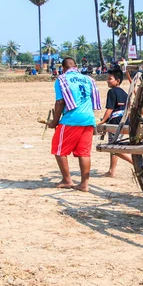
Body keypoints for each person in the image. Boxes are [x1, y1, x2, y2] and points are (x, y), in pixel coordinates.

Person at [48, 57, 101, 192]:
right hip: (89, 119)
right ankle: (84, 184)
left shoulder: (62, 79)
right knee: (84, 153)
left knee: (59, 150)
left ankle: (67, 179)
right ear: (76, 67)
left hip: (71, 119)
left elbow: (60, 102)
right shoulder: (88, 79)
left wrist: (54, 122)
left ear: (63, 68)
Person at [97, 68, 132, 177]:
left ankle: (134, 162)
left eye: (110, 79)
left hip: (115, 122)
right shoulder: (124, 93)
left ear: (117, 81)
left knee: (113, 147)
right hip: (125, 121)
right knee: (115, 146)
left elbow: (110, 109)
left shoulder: (111, 92)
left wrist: (102, 121)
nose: (107, 81)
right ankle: (111, 171)